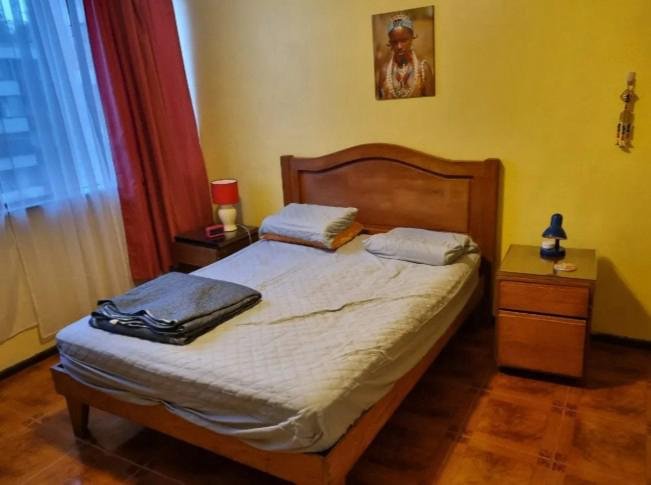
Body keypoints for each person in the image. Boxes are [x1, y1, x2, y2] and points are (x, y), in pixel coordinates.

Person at [377, 13, 434, 99]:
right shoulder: (384, 72)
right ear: (390, 43)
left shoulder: (423, 70)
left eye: (404, 40)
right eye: (395, 42)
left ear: (412, 38)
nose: (399, 46)